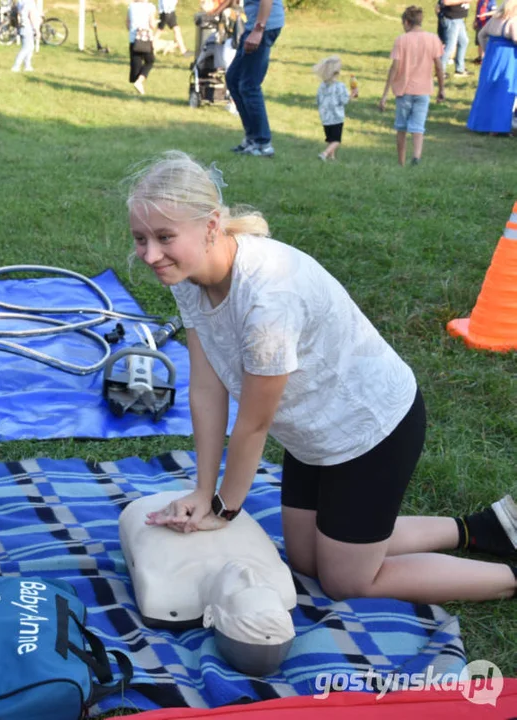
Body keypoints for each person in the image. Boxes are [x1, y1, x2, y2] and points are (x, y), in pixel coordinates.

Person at [128, 150, 517, 606]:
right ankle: (485, 528)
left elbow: (252, 424)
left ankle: (509, 578)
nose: (151, 254)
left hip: (371, 430)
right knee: (309, 561)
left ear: (211, 225)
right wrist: (203, 488)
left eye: (164, 237)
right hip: (312, 435)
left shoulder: (268, 299)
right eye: (140, 238)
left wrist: (223, 509)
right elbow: (206, 390)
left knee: (345, 581)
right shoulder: (189, 276)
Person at [207, 0, 285, 157]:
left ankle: (263, 144)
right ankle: (252, 138)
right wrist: (215, 13)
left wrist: (258, 30)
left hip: (264, 26)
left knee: (249, 85)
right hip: (253, 26)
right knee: (233, 79)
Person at [379, 6, 445, 166]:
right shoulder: (433, 38)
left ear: (407, 22)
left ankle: (401, 161)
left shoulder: (401, 40)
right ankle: (416, 156)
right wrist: (442, 88)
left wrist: (385, 94)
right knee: (418, 126)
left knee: (401, 126)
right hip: (424, 89)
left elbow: (394, 67)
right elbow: (438, 66)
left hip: (404, 90)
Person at [467, 0, 517, 134]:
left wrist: (486, 51)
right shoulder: (512, 22)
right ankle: (498, 127)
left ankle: (480, 124)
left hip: (491, 56)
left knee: (487, 90)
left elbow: (481, 34)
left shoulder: (494, 19)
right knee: (502, 92)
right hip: (508, 59)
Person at [313, 54, 357, 161]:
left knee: (330, 138)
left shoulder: (322, 86)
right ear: (337, 72)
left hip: (325, 117)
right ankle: (325, 153)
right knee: (336, 140)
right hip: (336, 117)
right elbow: (344, 100)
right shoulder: (339, 86)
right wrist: (353, 94)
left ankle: (332, 157)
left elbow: (318, 100)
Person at [127, 0, 159, 94]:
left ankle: (136, 83)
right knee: (150, 61)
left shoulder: (131, 7)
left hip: (133, 39)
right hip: (145, 39)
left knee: (136, 63)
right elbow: (152, 24)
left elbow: (128, 24)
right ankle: (139, 81)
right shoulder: (150, 7)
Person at [438, 0, 472, 74]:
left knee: (464, 41)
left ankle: (460, 69)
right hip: (451, 18)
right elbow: (446, 2)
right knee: (450, 46)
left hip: (458, 18)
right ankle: (440, 71)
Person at [11, 0, 40, 72]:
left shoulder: (21, 2)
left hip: (22, 26)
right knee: (26, 48)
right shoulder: (30, 3)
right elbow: (31, 16)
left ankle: (27, 65)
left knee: (30, 47)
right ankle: (16, 66)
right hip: (28, 27)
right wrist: (37, 30)